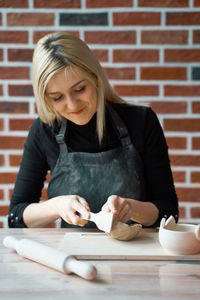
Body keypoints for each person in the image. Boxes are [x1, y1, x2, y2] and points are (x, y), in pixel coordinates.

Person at [8, 32, 178, 229]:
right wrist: (57, 206)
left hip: (136, 253)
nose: (72, 105)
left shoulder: (141, 121)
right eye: (57, 97)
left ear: (96, 78)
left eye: (79, 89)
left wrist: (132, 208)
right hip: (73, 255)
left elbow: (169, 211)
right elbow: (15, 217)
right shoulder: (43, 131)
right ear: (46, 98)